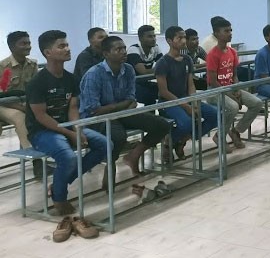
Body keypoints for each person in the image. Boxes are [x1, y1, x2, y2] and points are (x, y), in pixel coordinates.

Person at [25, 30, 110, 215]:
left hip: (66, 128)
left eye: (67, 45)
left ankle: (59, 184)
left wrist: (77, 129)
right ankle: (59, 198)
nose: (67, 49)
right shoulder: (37, 83)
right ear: (48, 53)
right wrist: (70, 134)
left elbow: (72, 108)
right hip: (42, 132)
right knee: (68, 157)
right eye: (61, 46)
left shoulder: (71, 79)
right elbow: (41, 116)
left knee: (105, 145)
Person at [79, 36, 171, 189]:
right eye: (118, 49)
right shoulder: (94, 74)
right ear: (106, 54)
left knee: (161, 125)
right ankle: (110, 167)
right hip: (96, 118)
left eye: (123, 48)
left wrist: (116, 108)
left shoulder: (128, 69)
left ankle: (133, 156)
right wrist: (119, 107)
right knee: (118, 136)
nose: (123, 52)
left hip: (122, 112)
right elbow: (94, 109)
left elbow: (131, 99)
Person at [154, 26, 217, 160]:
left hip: (186, 98)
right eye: (179, 38)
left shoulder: (187, 59)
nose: (183, 41)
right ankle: (168, 142)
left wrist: (193, 101)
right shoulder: (162, 63)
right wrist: (185, 106)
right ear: (170, 41)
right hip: (168, 102)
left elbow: (190, 84)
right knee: (187, 122)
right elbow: (163, 91)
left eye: (184, 37)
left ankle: (182, 140)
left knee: (215, 115)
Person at [205, 18, 263, 151]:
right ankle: (219, 136)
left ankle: (236, 131)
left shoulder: (232, 52)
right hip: (215, 91)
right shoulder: (213, 55)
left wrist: (236, 89)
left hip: (231, 87)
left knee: (257, 103)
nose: (230, 33)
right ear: (217, 34)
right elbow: (213, 81)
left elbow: (234, 74)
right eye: (226, 31)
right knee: (233, 107)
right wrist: (230, 94)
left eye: (231, 30)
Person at [0, 31, 41, 176]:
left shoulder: (32, 65)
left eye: (28, 43)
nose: (28, 46)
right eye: (23, 43)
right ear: (12, 47)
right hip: (4, 105)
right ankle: (37, 162)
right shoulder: (5, 67)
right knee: (19, 117)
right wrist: (22, 107)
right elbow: (2, 95)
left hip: (25, 104)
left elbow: (36, 89)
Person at [127, 25, 163, 105]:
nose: (153, 39)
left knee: (167, 90)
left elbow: (165, 66)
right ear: (140, 38)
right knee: (149, 96)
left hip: (144, 81)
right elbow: (143, 72)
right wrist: (159, 69)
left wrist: (159, 69)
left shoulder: (155, 48)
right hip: (131, 84)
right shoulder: (133, 49)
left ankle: (163, 114)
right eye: (150, 36)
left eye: (154, 36)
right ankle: (153, 116)